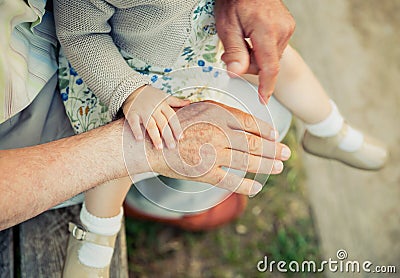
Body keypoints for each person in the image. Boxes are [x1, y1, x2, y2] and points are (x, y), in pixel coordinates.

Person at [1, 0, 294, 276]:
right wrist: (129, 91)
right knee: (131, 137)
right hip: (119, 72)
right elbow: (80, 32)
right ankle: (97, 237)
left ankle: (331, 129)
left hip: (194, 56)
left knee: (278, 90)